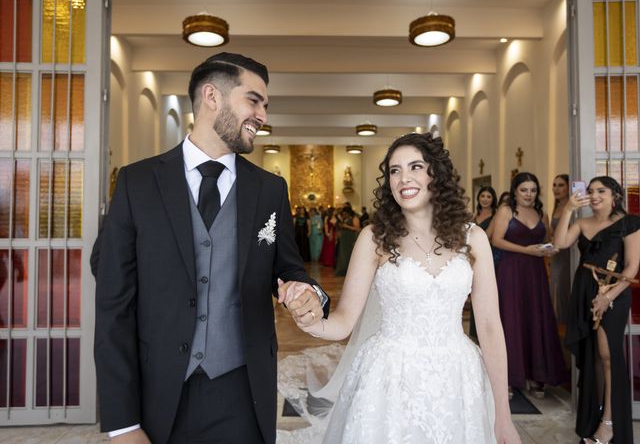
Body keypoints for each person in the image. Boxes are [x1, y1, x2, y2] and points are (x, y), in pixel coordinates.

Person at [93, 52, 329, 444]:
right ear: (211, 97)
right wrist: (123, 423)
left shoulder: (270, 191)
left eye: (266, 106)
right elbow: (113, 305)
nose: (263, 115)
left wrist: (308, 292)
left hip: (242, 393)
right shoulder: (138, 184)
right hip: (159, 390)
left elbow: (291, 270)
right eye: (254, 101)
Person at [283, 133, 520, 443]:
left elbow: (489, 327)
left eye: (415, 166)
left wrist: (502, 415)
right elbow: (342, 323)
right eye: (394, 170)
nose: (403, 178)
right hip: (390, 378)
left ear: (436, 173)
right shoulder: (374, 238)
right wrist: (312, 322)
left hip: (456, 376)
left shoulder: (473, 238)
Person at [553, 176, 640, 444]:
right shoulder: (582, 222)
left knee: (607, 355)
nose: (594, 195)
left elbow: (631, 267)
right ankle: (594, 418)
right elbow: (560, 243)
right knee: (593, 359)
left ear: (615, 194)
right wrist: (568, 209)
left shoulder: (630, 223)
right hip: (584, 291)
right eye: (590, 191)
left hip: (613, 293)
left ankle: (610, 424)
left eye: (601, 190)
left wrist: (608, 297)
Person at [491, 172, 568, 399]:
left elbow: (548, 240)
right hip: (511, 270)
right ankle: (508, 377)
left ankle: (537, 375)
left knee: (535, 318)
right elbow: (496, 240)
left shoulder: (541, 213)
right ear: (515, 190)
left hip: (535, 273)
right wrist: (527, 250)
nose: (529, 194)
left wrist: (550, 248)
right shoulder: (506, 211)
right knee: (511, 319)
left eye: (533, 190)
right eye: (524, 190)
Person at [469, 185, 499, 340]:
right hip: (471, 257)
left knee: (485, 292)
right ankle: (475, 332)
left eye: (489, 196)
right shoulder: (474, 215)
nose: (485, 199)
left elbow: (487, 236)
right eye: (483, 196)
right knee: (474, 291)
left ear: (493, 199)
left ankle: (489, 332)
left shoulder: (495, 216)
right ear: (478, 198)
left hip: (489, 256)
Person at [549, 174, 571, 325]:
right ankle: (558, 326)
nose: (556, 189)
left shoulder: (571, 206)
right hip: (555, 254)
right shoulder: (556, 206)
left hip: (568, 253)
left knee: (563, 288)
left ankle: (565, 325)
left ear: (569, 187)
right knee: (554, 288)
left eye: (561, 185)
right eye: (554, 185)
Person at [334, 205, 360, 276]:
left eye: (345, 213)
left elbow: (357, 228)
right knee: (343, 254)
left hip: (350, 238)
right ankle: (343, 270)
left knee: (349, 254)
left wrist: (346, 226)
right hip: (344, 239)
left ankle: (350, 272)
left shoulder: (355, 218)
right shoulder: (345, 218)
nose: (344, 214)